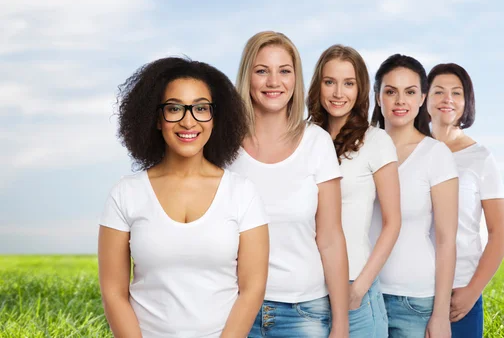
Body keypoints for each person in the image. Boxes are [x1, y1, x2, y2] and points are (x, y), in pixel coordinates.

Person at [98, 57, 269, 338]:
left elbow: (252, 289)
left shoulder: (242, 193)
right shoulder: (125, 193)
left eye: (201, 108)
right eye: (174, 108)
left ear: (215, 117)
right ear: (155, 118)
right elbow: (113, 293)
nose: (188, 121)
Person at [229, 31, 350, 337]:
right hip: (234, 308)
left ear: (296, 79)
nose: (274, 82)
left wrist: (341, 324)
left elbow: (331, 238)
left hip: (303, 312)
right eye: (262, 71)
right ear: (247, 77)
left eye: (284, 71)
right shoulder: (222, 146)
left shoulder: (317, 143)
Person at [307, 44, 400, 337]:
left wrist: (360, 287)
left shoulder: (377, 141)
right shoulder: (303, 139)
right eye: (329, 82)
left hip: (353, 287)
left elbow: (392, 222)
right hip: (306, 288)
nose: (338, 93)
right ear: (317, 86)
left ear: (360, 89)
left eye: (348, 83)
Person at [370, 54, 458, 338]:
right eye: (391, 91)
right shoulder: (359, 147)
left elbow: (446, 240)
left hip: (414, 301)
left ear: (422, 98)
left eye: (410, 92)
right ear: (377, 96)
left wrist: (441, 314)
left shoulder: (435, 155)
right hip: (361, 295)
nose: (400, 101)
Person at [427, 63, 504, 338]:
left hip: (459, 294)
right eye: (438, 91)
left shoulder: (481, 158)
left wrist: (473, 291)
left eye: (456, 93)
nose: (447, 99)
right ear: (424, 98)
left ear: (466, 102)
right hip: (410, 291)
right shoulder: (408, 149)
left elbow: (499, 233)